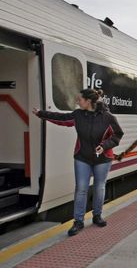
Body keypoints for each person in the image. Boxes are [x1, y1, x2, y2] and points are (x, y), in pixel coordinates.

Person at [33, 89, 124, 236]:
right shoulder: (78, 115)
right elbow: (61, 118)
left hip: (103, 158)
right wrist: (41, 114)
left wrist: (105, 146)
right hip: (82, 157)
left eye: (79, 99)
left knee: (99, 187)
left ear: (88, 101)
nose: (77, 102)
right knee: (81, 189)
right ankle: (78, 221)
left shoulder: (108, 117)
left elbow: (117, 134)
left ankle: (97, 215)